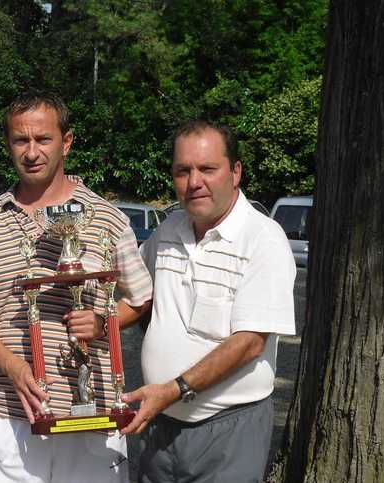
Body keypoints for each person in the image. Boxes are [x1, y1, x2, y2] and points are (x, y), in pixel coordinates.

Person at [0, 93, 153, 483]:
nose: (32, 152)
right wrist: (13, 367)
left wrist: (102, 324)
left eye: (43, 139)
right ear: (8, 145)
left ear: (66, 142)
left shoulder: (108, 219)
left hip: (93, 409)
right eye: (21, 140)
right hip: (7, 410)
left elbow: (140, 298)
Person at [124, 120, 296, 482]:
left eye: (207, 169)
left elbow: (250, 343)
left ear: (235, 172)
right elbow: (140, 299)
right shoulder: (168, 230)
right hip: (161, 426)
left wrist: (174, 389)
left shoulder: (262, 239)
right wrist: (97, 322)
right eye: (183, 171)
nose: (194, 182)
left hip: (228, 431)